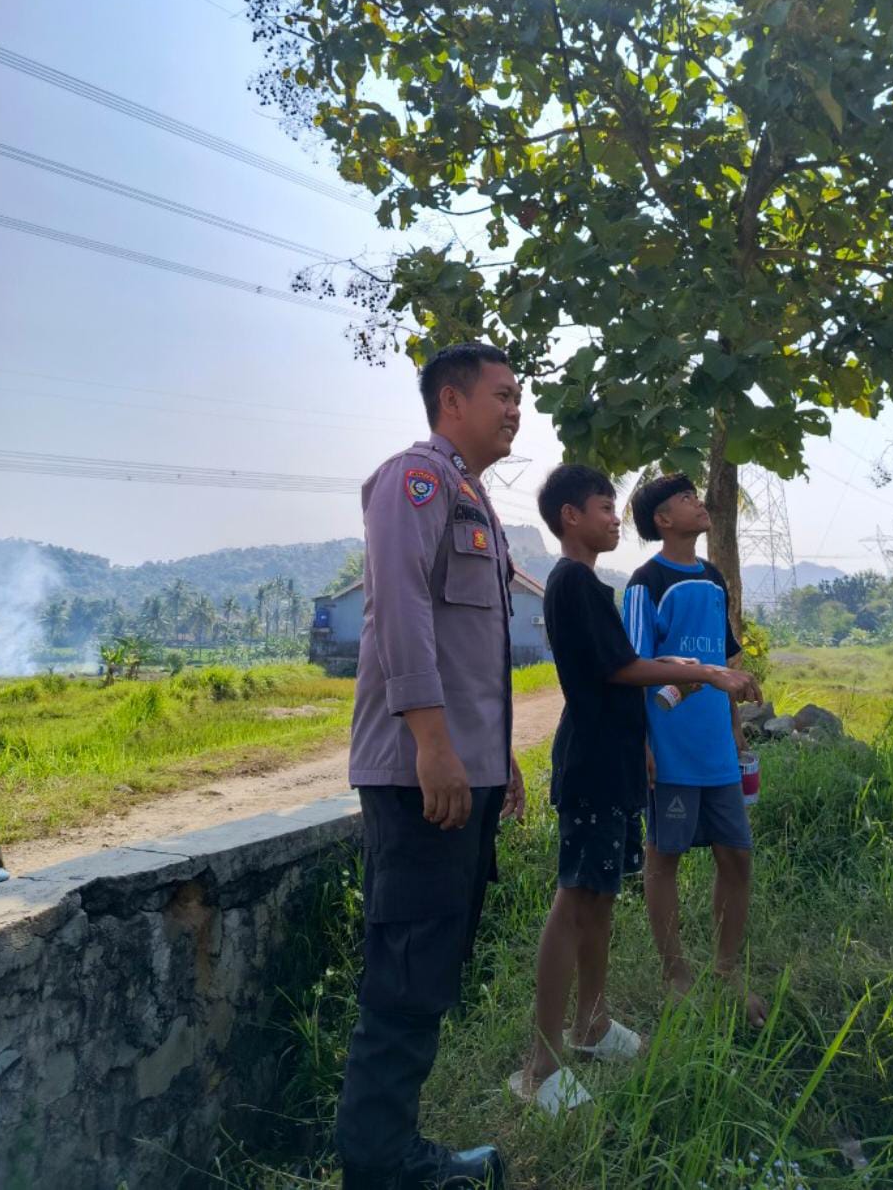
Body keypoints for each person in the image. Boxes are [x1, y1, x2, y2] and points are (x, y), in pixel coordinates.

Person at [511, 465, 761, 1113]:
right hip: (592, 762)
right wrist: (709, 673)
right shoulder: (572, 582)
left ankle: (591, 1024)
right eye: (603, 507)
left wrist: (688, 669)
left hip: (614, 763)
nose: (612, 519)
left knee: (600, 898)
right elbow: (621, 668)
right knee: (574, 900)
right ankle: (541, 1062)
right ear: (570, 516)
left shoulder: (590, 584)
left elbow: (633, 664)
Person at [336, 343, 527, 1190]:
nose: (515, 409)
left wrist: (493, 753)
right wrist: (434, 743)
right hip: (419, 775)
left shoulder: (473, 496)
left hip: (460, 768)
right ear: (452, 400)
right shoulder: (413, 480)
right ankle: (379, 1165)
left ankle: (393, 1150)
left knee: (431, 965)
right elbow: (400, 609)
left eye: (518, 397)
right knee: (406, 974)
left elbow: (472, 648)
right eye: (502, 394)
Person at [623, 474, 768, 1025]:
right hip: (671, 749)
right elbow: (633, 668)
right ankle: (675, 975)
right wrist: (642, 743)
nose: (698, 502)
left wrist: (734, 728)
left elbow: (722, 665)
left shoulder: (712, 579)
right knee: (665, 858)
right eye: (685, 499)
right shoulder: (647, 583)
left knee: (737, 856)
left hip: (716, 750)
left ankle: (726, 970)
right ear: (662, 520)